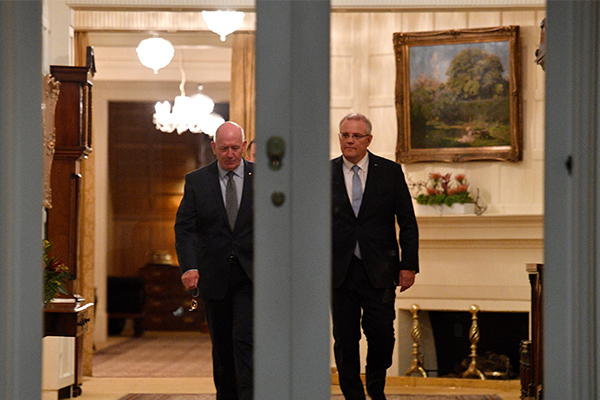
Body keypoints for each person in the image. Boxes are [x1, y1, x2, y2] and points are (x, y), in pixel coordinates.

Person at [331, 113, 419, 400]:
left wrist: (408, 266)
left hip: (380, 270)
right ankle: (353, 395)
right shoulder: (325, 173)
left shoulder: (389, 172)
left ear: (368, 139)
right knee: (345, 339)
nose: (350, 140)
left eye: (356, 136)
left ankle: (376, 386)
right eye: (345, 135)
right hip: (340, 271)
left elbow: (407, 222)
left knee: (382, 335)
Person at [175, 121, 254, 400]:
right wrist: (189, 266)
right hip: (215, 276)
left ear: (243, 146)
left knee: (245, 339)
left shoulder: (262, 179)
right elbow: (185, 228)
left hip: (251, 275)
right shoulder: (197, 181)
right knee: (222, 346)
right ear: (213, 148)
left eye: (235, 148)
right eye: (224, 149)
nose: (230, 154)